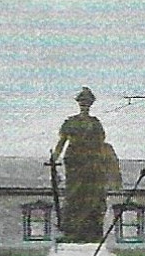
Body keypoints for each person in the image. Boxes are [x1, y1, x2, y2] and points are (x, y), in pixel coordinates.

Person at [50, 86, 122, 243]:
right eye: (82, 102)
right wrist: (54, 158)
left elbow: (101, 145)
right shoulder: (70, 122)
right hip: (75, 163)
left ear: (91, 104)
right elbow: (61, 142)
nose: (84, 105)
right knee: (74, 195)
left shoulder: (96, 124)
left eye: (87, 102)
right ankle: (72, 230)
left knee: (92, 197)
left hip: (92, 164)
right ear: (78, 103)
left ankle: (90, 230)